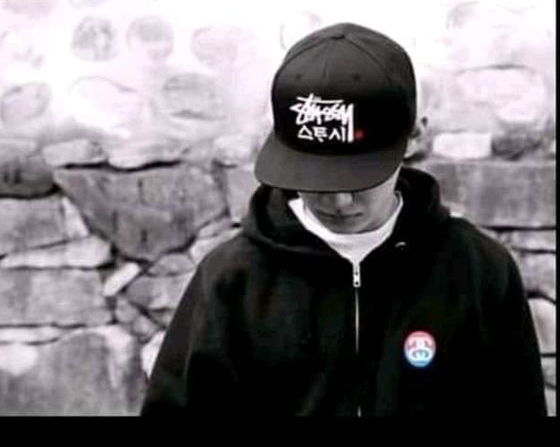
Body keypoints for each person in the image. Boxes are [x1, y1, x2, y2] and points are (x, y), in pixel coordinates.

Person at [140, 23, 547, 416]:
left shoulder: (479, 272)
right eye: (315, 178)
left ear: (414, 137)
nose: (339, 200)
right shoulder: (231, 280)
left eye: (361, 176)